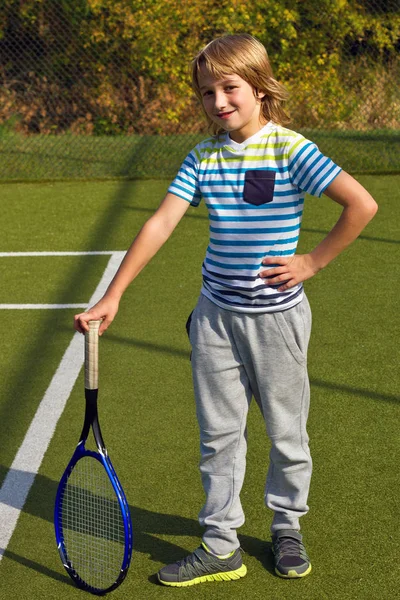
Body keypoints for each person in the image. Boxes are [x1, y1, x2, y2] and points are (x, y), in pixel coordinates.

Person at [74, 33, 377, 587]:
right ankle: (220, 544)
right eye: (207, 92)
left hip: (277, 320)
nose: (218, 102)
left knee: (287, 432)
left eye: (229, 87)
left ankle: (287, 525)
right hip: (214, 317)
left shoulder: (290, 149)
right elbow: (161, 222)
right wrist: (114, 294)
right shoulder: (203, 156)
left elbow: (361, 204)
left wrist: (311, 261)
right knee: (219, 435)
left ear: (260, 88)